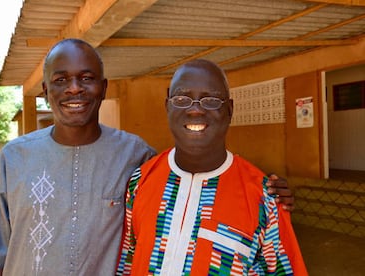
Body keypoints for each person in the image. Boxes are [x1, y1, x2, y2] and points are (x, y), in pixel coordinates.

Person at [0, 39, 294, 275]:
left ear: (103, 87)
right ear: (45, 90)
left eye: (86, 78)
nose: (74, 89)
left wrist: (267, 194)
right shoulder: (14, 158)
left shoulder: (137, 158)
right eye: (61, 80)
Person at [116, 59, 307, 275]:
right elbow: (126, 261)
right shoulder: (140, 181)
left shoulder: (265, 198)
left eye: (211, 100)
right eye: (182, 98)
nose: (195, 110)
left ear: (230, 109)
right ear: (167, 105)